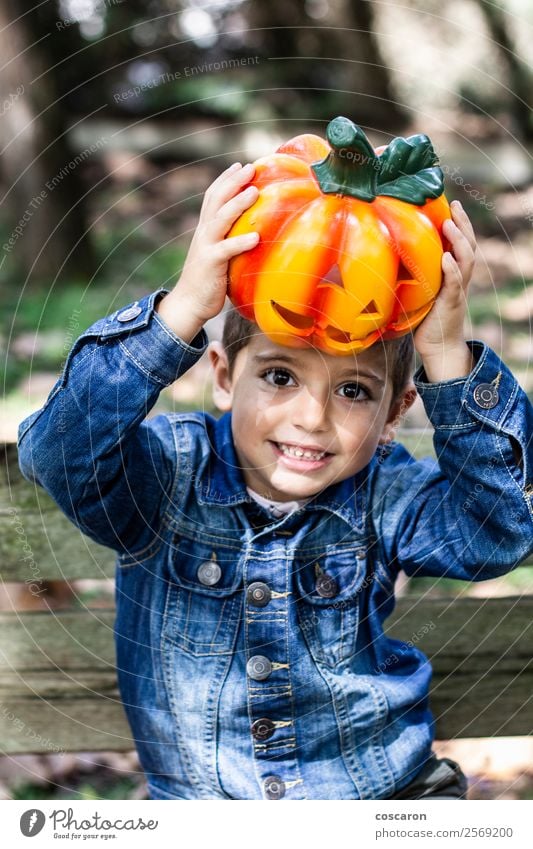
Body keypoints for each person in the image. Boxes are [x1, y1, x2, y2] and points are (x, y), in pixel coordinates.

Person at [17, 161, 533, 801]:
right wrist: (180, 312)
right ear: (225, 376)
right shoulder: (164, 479)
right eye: (280, 377)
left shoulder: (384, 492)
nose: (311, 419)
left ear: (395, 413)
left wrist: (448, 358)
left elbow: (494, 535)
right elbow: (59, 451)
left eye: (353, 390)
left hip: (382, 801)